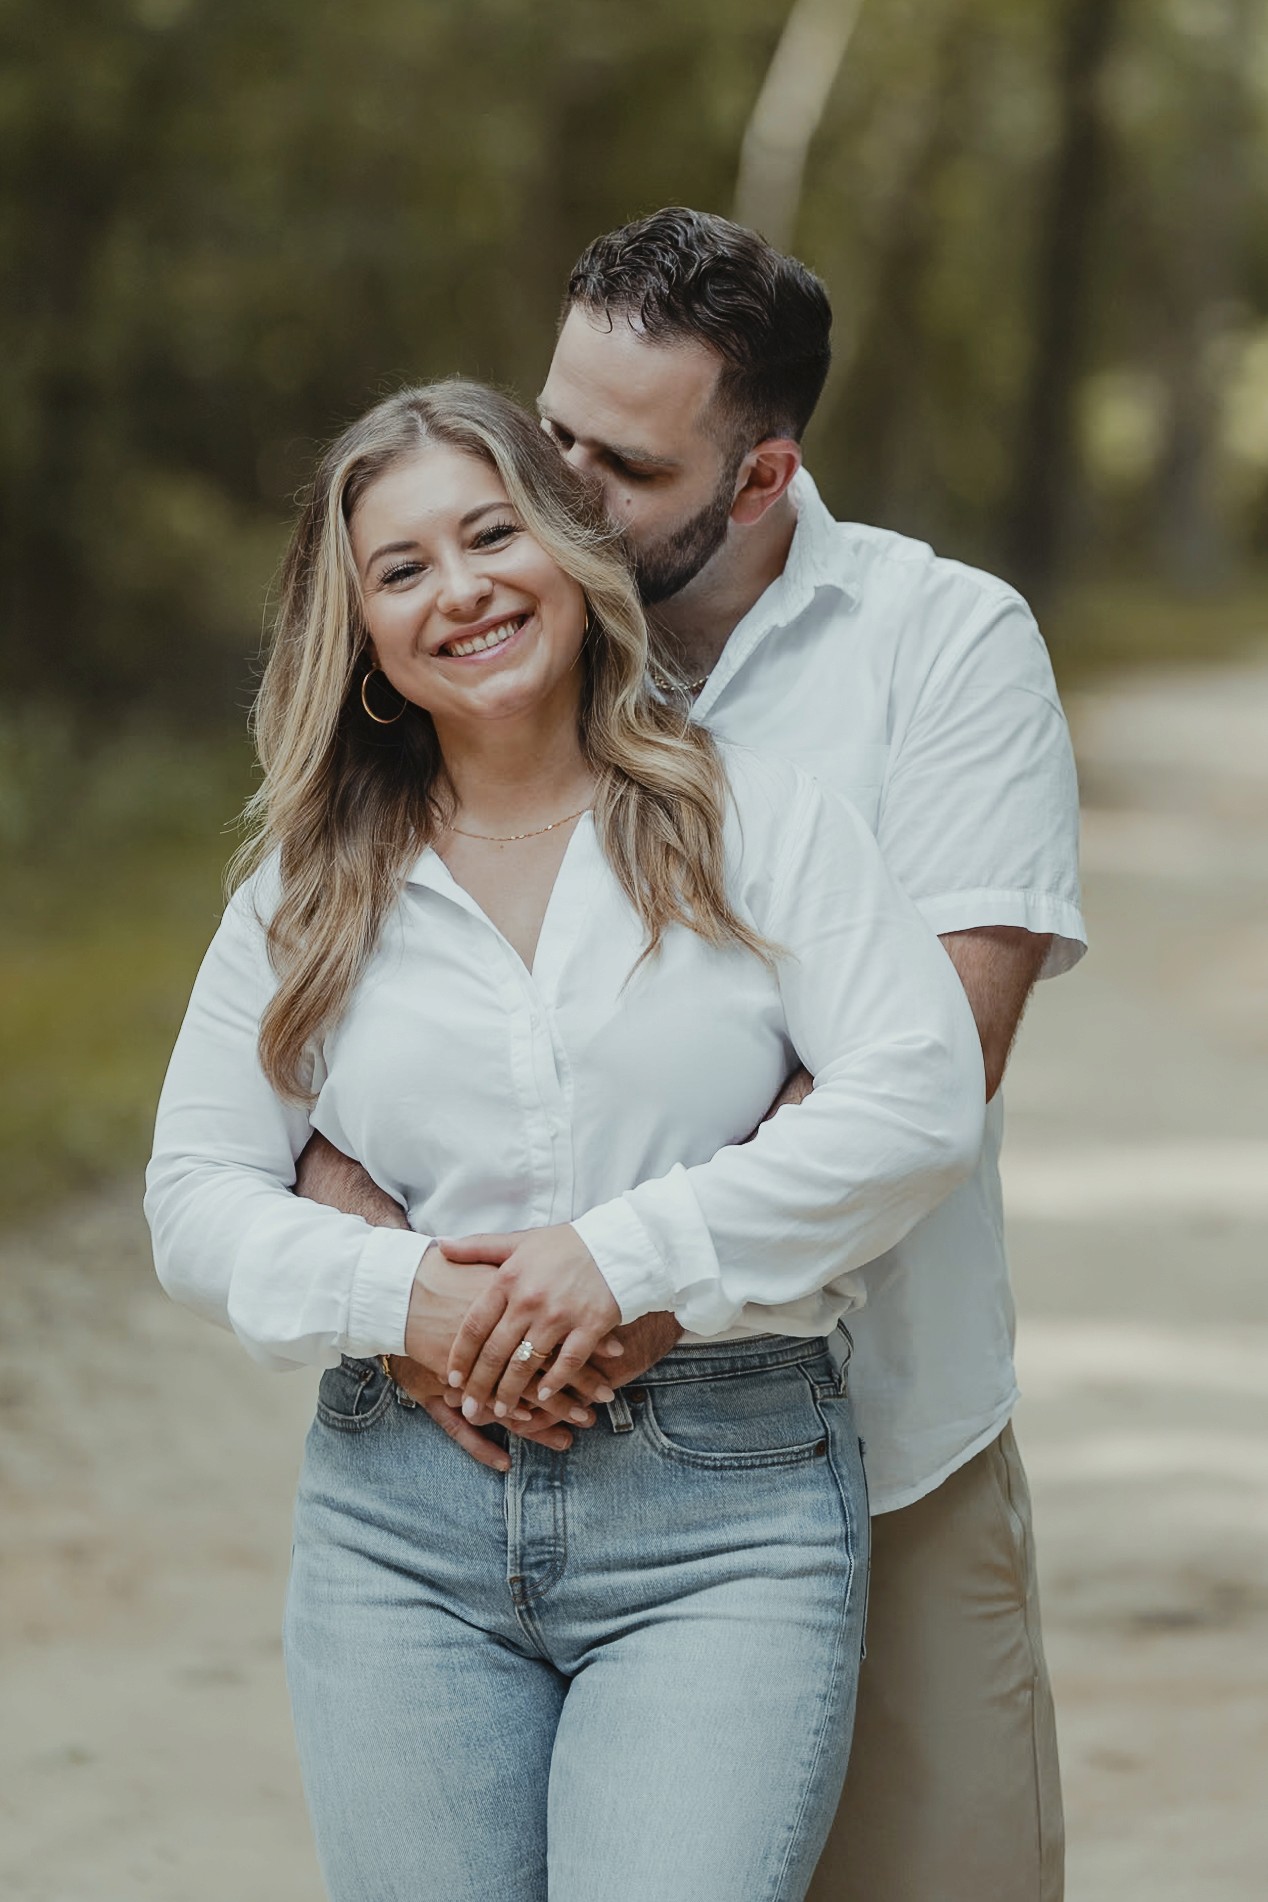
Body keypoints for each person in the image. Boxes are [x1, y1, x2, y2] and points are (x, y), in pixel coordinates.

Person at [301, 208, 1086, 1901]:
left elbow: (934, 1055)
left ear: (761, 475)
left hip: (884, 1440)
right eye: (551, 427)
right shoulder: (499, 641)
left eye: (621, 464)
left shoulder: (945, 648)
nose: (558, 487)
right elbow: (326, 1012)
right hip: (490, 1470)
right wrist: (393, 1268)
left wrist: (604, 1294)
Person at [145, 380, 987, 1902]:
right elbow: (195, 1196)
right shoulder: (307, 886)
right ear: (366, 632)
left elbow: (916, 1094)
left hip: (722, 1506)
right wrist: (408, 1297)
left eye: (491, 534)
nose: (459, 589)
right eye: (401, 569)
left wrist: (624, 1255)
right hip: (399, 1520)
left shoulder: (756, 821)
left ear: (566, 552)